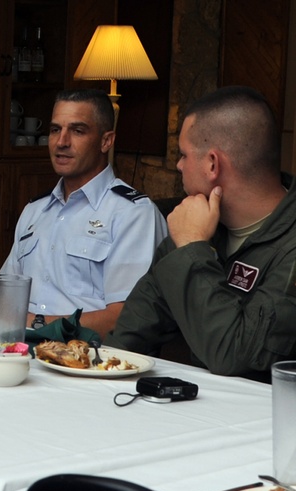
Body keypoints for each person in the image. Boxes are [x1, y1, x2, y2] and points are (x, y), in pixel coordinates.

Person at [108, 86, 296, 381]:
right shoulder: (196, 221)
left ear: (212, 164)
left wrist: (193, 246)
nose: (179, 165)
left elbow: (234, 357)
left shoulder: (287, 244)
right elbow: (130, 337)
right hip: (196, 414)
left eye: (183, 155)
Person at [0, 88, 167, 337]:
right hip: (19, 350)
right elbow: (1, 298)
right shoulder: (35, 210)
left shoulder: (132, 214)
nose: (61, 142)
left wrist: (39, 326)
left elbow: (125, 317)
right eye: (56, 129)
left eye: (77, 131)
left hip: (87, 360)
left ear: (106, 141)